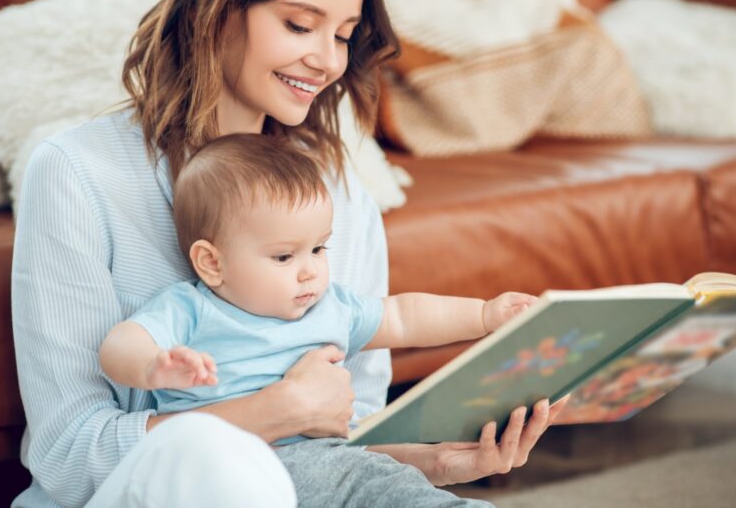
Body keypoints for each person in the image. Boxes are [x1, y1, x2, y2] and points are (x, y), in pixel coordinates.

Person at [11, 0, 565, 506]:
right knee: (207, 452)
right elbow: (67, 455)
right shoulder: (77, 173)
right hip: (153, 489)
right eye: (301, 25)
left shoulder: (337, 195)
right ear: (215, 8)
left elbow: (333, 447)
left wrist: (435, 463)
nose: (328, 61)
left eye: (344, 35)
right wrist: (272, 410)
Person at [98, 132, 539, 506]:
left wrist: (484, 315)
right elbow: (119, 345)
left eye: (319, 249)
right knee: (376, 486)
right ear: (212, 264)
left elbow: (403, 316)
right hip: (244, 471)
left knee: (388, 482)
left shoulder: (328, 306)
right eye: (285, 255)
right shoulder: (191, 309)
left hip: (332, 455)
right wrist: (153, 365)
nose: (310, 269)